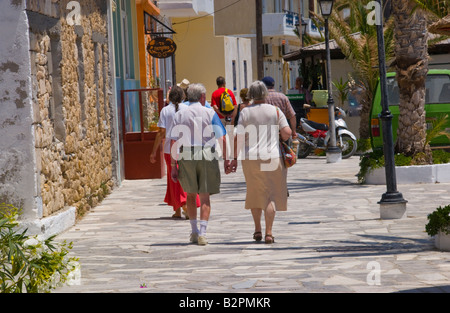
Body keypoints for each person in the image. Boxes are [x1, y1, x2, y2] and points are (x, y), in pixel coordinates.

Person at [170, 83, 236, 246]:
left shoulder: (179, 115)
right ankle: (203, 234)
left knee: (191, 194)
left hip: (186, 153)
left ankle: (193, 231)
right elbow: (222, 137)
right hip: (207, 153)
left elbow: (174, 140)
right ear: (202, 97)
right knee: (204, 195)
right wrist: (227, 159)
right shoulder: (209, 113)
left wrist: (173, 165)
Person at [234, 81, 292, 244]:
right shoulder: (275, 110)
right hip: (271, 157)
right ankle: (269, 232)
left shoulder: (245, 112)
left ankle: (257, 229)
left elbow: (238, 136)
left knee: (254, 193)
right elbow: (287, 133)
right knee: (271, 195)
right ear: (265, 93)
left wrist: (232, 159)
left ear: (251, 95)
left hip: (250, 157)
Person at [150, 86, 200, 219]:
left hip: (169, 150)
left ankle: (182, 207)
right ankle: (182, 207)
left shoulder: (165, 111)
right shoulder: (188, 109)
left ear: (170, 97)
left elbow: (161, 132)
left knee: (173, 180)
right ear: (183, 97)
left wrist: (154, 151)